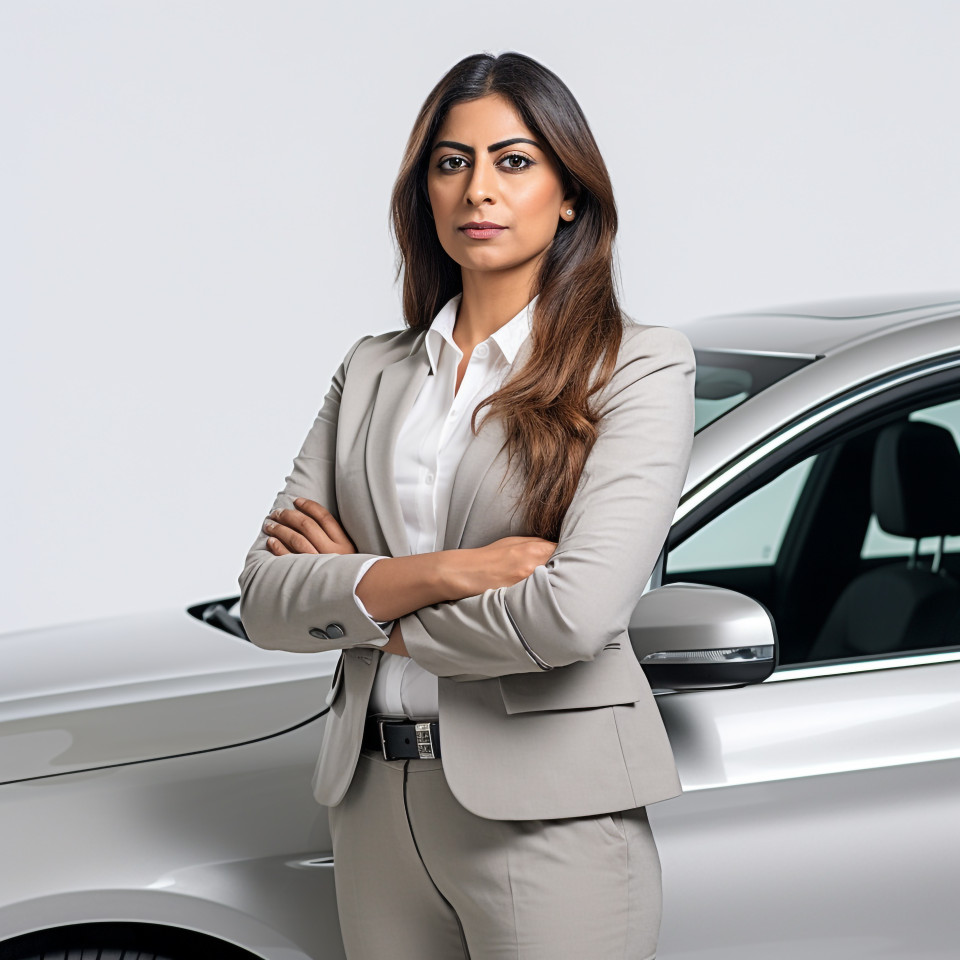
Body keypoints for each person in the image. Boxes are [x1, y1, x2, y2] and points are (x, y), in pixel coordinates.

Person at [238, 50, 695, 960]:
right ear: (425, 193)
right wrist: (450, 574)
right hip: (373, 803)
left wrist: (367, 603)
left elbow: (573, 615)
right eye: (452, 162)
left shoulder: (639, 366)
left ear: (571, 192)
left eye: (513, 161)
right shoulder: (372, 369)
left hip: (550, 811)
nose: (478, 188)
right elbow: (261, 597)